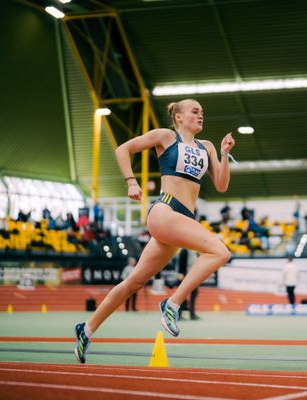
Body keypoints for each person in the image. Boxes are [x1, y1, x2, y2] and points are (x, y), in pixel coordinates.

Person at [73, 99, 235, 364]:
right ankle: (172, 304)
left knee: (134, 282)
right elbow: (123, 149)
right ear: (179, 117)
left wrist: (224, 153)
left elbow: (221, 185)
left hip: (181, 220)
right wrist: (131, 182)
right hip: (165, 211)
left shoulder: (206, 147)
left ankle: (87, 330)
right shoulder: (166, 136)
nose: (200, 115)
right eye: (195, 111)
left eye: (203, 112)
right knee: (219, 251)